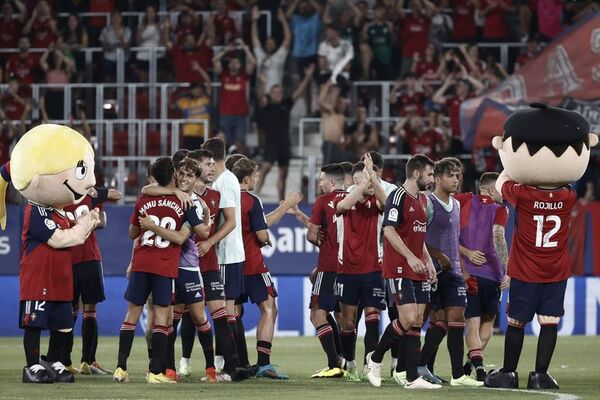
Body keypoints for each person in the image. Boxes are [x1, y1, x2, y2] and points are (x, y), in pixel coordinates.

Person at [485, 104, 598, 389]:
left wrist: (508, 156)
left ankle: (509, 373)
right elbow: (566, 182)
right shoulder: (569, 196)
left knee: (516, 321)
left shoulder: (522, 194)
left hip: (525, 269)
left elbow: (502, 181)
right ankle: (540, 376)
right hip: (556, 269)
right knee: (549, 321)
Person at [112, 157, 205, 384]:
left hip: (142, 263)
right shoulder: (186, 204)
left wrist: (150, 226)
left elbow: (133, 233)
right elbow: (198, 233)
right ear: (173, 175)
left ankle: (120, 368)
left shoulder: (144, 199)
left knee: (130, 317)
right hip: (164, 266)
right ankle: (155, 372)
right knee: (162, 319)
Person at [365, 154, 440, 390]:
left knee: (416, 321)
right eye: (429, 174)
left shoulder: (423, 201)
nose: (431, 179)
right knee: (406, 319)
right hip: (398, 267)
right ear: (416, 173)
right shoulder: (398, 196)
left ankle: (411, 378)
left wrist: (427, 261)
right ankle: (374, 359)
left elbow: (420, 237)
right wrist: (409, 256)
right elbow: (389, 230)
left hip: (417, 267)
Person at [19, 189, 100, 383]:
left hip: (62, 278)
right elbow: (61, 239)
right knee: (34, 324)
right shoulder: (36, 210)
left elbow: (78, 235)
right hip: (38, 276)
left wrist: (89, 220)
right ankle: (32, 365)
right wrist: (85, 223)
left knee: (63, 325)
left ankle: (52, 360)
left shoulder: (61, 215)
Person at [233, 158, 303, 379]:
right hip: (252, 263)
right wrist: (286, 205)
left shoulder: (225, 198)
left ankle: (231, 363)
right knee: (269, 307)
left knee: (232, 313)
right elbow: (262, 232)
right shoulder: (252, 200)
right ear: (246, 179)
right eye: (255, 175)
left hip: (230, 264)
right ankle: (264, 364)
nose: (257, 179)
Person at [417, 158, 483, 387]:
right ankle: (413, 365)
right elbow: (416, 236)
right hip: (431, 271)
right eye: (451, 175)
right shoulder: (428, 203)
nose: (456, 180)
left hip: (453, 271)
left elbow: (454, 241)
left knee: (456, 318)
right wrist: (435, 255)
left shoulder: (455, 204)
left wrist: (463, 271)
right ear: (437, 179)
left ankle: (458, 375)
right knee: (431, 322)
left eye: (458, 175)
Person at [334, 156, 388, 381]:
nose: (364, 184)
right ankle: (352, 363)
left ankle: (370, 363)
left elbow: (386, 204)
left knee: (372, 316)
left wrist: (372, 177)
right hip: (347, 269)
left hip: (373, 269)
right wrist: (362, 182)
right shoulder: (345, 198)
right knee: (347, 322)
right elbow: (343, 206)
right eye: (358, 181)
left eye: (367, 180)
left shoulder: (377, 201)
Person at [455, 172, 510, 382]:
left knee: (473, 322)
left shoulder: (463, 200)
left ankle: (475, 365)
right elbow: (498, 237)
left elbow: (451, 233)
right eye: (503, 190)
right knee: (488, 322)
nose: (505, 195)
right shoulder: (501, 209)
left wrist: (466, 252)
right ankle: (475, 364)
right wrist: (506, 270)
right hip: (493, 275)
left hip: (469, 274)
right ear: (493, 189)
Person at [62, 186, 122, 375]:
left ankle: (78, 362)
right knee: (83, 310)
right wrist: (94, 193)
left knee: (79, 310)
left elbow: (115, 198)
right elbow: (115, 196)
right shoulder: (87, 195)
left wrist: (93, 192)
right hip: (82, 258)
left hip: (77, 258)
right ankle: (78, 360)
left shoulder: (59, 196)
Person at [200, 138, 248, 368]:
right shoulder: (224, 180)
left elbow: (230, 222)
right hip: (230, 253)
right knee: (229, 311)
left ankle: (231, 365)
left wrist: (209, 242)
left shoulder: (225, 182)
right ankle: (231, 363)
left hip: (226, 254)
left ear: (211, 158)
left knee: (226, 312)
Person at [307, 164, 347, 378]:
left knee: (317, 313)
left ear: (332, 182)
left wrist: (321, 237)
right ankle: (346, 360)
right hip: (351, 268)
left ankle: (333, 364)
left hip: (329, 265)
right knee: (344, 316)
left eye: (322, 180)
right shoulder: (354, 199)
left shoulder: (323, 201)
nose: (320, 183)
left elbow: (312, 235)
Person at [256, 64, 315, 201]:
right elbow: (260, 96)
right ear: (270, 94)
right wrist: (262, 82)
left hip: (284, 143)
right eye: (275, 92)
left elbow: (299, 92)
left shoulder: (286, 104)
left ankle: (281, 201)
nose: (278, 94)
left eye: (280, 92)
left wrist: (307, 77)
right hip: (271, 143)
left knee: (284, 174)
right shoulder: (267, 105)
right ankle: (255, 193)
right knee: (265, 168)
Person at [213, 41, 256, 147]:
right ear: (228, 64)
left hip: (241, 114)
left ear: (240, 65)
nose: (234, 64)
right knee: (223, 142)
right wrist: (226, 50)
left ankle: (238, 162)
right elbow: (214, 60)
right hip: (225, 113)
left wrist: (245, 49)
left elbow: (253, 63)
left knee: (240, 141)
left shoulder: (243, 76)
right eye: (232, 62)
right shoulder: (223, 75)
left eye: (236, 63)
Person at [251, 6, 291, 93]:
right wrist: (254, 21)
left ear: (275, 46)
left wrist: (283, 21)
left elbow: (288, 38)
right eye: (267, 43)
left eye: (271, 43)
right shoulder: (260, 55)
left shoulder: (280, 56)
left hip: (275, 95)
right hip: (261, 94)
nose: (269, 45)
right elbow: (254, 38)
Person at [319, 81, 348, 164]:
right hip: (329, 145)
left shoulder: (342, 117)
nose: (342, 105)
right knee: (328, 170)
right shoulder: (329, 112)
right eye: (340, 103)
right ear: (336, 103)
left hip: (338, 146)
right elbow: (320, 102)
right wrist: (326, 87)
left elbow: (342, 134)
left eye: (344, 104)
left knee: (341, 170)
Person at [177, 82, 211, 150]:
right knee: (190, 157)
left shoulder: (205, 100)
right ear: (191, 91)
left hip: (203, 134)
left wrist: (199, 70)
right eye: (195, 89)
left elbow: (208, 85)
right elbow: (172, 105)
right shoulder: (184, 102)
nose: (198, 91)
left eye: (199, 89)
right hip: (189, 134)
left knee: (202, 158)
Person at [99, 11, 131, 82]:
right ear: (111, 19)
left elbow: (126, 46)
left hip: (123, 59)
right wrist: (111, 45)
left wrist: (119, 37)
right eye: (114, 17)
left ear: (121, 19)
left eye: (118, 17)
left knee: (121, 80)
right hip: (109, 59)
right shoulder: (106, 30)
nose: (116, 19)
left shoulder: (126, 30)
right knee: (108, 81)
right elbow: (103, 46)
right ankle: (109, 93)